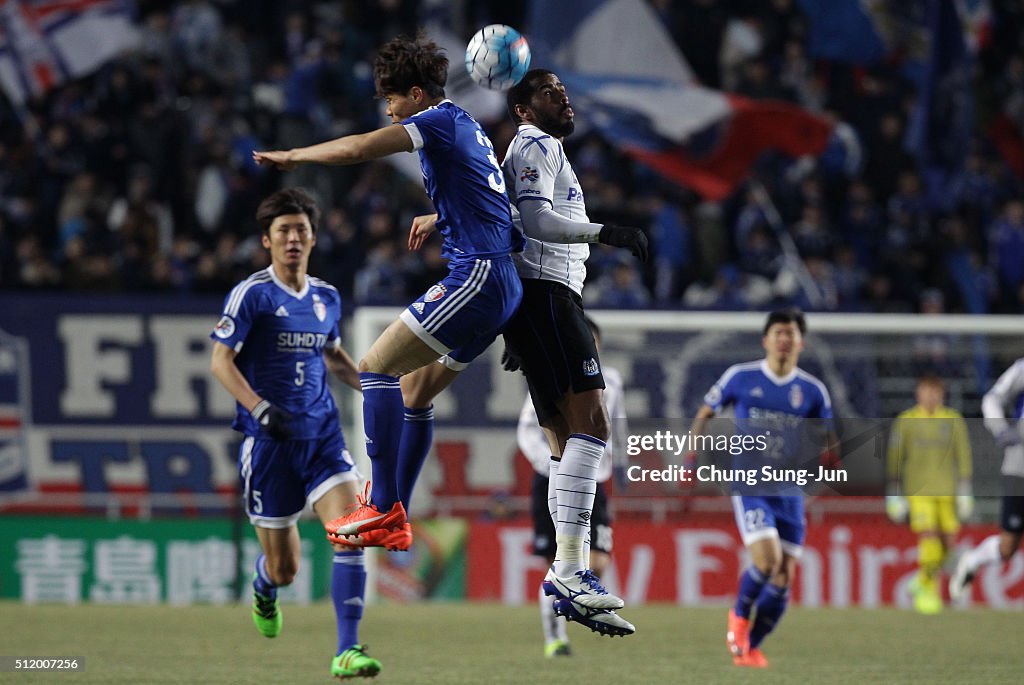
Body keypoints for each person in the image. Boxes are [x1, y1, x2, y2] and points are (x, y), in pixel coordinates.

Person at [254, 36, 524, 548]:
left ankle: (381, 505)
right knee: (415, 392)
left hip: (477, 277)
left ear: (417, 94)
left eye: (393, 100)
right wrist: (440, 215)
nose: (389, 109)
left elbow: (358, 147)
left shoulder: (435, 122)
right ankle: (396, 514)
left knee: (376, 367)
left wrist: (294, 155)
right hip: (500, 283)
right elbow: (493, 208)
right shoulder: (469, 126)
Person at [406, 68, 646, 636]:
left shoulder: (536, 151)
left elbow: (508, 213)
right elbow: (537, 220)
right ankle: (569, 571)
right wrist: (605, 233)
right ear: (522, 109)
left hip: (540, 300)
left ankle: (569, 575)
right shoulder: (535, 143)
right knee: (591, 430)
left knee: (570, 440)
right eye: (548, 92)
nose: (562, 98)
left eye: (563, 92)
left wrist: (443, 217)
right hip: (549, 295)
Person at [209, 188, 381, 679]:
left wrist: (376, 387)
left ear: (312, 238)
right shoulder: (252, 294)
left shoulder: (326, 296)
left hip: (323, 435)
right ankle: (265, 589)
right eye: (283, 231)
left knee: (351, 533)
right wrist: (261, 410)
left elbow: (331, 356)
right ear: (267, 240)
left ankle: (347, 650)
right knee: (285, 569)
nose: (292, 239)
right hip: (269, 443)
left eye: (300, 230)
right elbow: (220, 361)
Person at [688, 309, 840, 668]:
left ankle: (750, 647)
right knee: (767, 561)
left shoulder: (812, 390)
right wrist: (691, 457)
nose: (784, 339)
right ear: (766, 340)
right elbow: (705, 413)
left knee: (784, 577)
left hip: (790, 491)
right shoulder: (741, 377)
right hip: (750, 484)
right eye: (778, 332)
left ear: (801, 342)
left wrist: (831, 459)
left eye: (790, 333)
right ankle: (738, 618)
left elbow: (829, 436)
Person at [517, 317, 627, 657]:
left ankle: (572, 603)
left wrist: (620, 466)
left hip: (594, 480)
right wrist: (555, 463)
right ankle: (555, 639)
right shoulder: (550, 375)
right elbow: (526, 429)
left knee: (597, 562)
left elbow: (616, 427)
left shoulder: (611, 381)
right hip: (551, 477)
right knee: (558, 562)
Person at [885, 374, 973, 614]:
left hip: (947, 492)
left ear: (942, 394)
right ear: (918, 393)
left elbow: (963, 457)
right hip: (919, 491)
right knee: (929, 537)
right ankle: (928, 592)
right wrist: (893, 494)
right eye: (926, 390)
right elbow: (895, 460)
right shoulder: (906, 421)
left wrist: (965, 492)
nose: (931, 395)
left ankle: (921, 582)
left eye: (935, 391)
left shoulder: (953, 420)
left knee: (948, 545)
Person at [949, 357, 1024, 601]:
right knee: (1007, 547)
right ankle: (972, 560)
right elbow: (992, 399)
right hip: (1019, 467)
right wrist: (1000, 429)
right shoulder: (1022, 369)